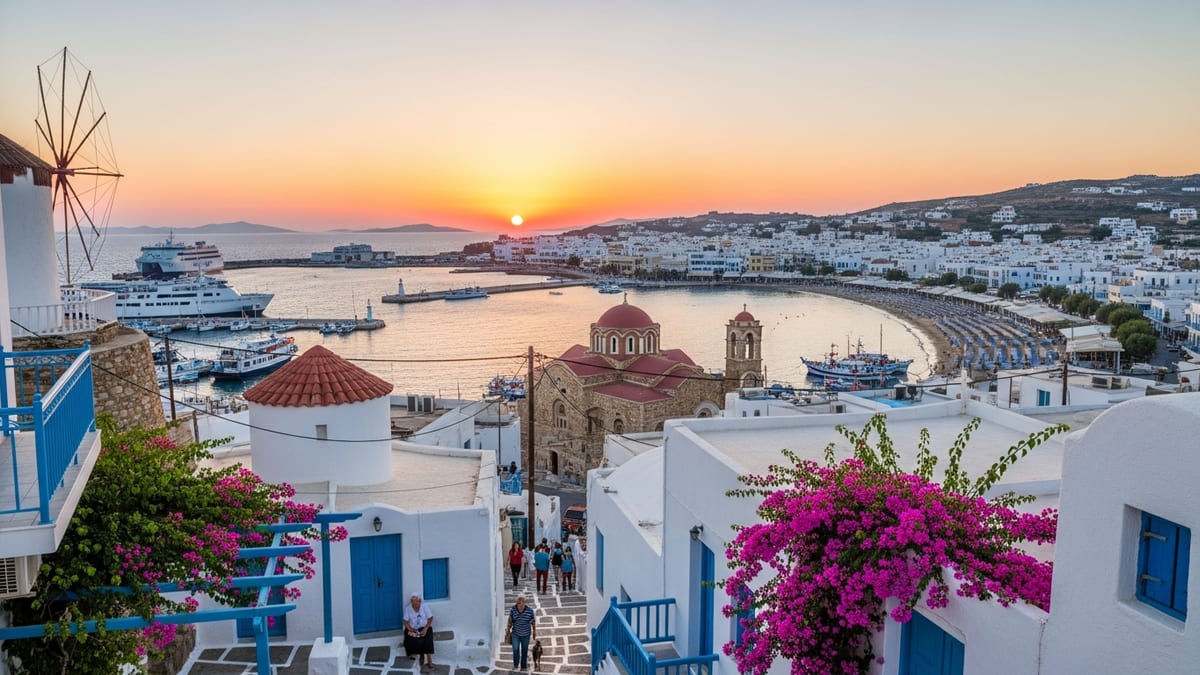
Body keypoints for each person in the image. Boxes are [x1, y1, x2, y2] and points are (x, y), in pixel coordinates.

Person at [403, 592, 435, 669]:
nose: (415, 603)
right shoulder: (408, 608)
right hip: (413, 628)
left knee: (428, 637)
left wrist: (425, 628)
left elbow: (430, 618)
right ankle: (413, 653)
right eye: (413, 601)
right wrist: (411, 629)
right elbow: (405, 621)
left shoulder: (424, 606)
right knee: (408, 637)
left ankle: (429, 658)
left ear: (420, 601)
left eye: (416, 601)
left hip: (423, 627)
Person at [507, 594, 537, 672]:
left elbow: (533, 622)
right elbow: (510, 621)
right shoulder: (513, 610)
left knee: (524, 650)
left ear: (525, 602)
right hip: (515, 634)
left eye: (523, 602)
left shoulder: (530, 611)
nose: (521, 604)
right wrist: (508, 630)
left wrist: (534, 632)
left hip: (526, 634)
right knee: (515, 649)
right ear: (517, 603)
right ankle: (516, 665)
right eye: (519, 602)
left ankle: (524, 666)